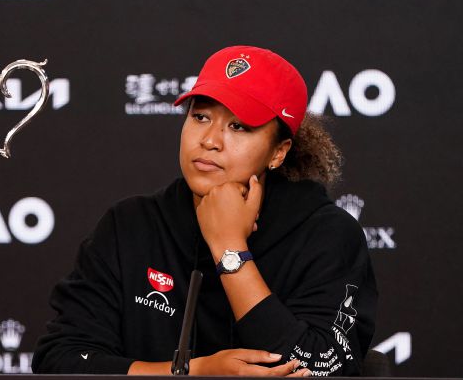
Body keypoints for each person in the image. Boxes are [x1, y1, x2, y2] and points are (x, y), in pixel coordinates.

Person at [32, 46, 377, 376]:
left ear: (278, 152)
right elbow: (61, 359)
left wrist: (229, 249)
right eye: (200, 116)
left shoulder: (326, 235)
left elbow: (321, 369)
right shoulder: (130, 225)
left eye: (238, 126)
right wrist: (196, 372)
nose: (210, 140)